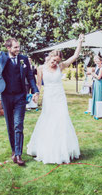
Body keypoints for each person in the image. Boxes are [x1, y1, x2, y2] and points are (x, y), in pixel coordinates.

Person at [0, 22, 39, 166]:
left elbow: (30, 76)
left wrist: (35, 90)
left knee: (19, 125)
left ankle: (18, 154)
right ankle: (14, 150)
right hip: (6, 96)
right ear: (8, 48)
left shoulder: (24, 59)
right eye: (15, 47)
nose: (18, 49)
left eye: (18, 47)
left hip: (20, 96)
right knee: (10, 125)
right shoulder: (1, 57)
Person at [27, 34, 84, 164]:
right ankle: (46, 148)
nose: (55, 63)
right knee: (48, 120)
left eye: (57, 61)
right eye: (54, 60)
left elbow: (75, 56)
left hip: (60, 97)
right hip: (48, 97)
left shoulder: (61, 66)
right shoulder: (40, 68)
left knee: (62, 119)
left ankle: (63, 149)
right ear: (49, 57)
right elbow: (38, 84)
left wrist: (79, 42)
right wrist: (36, 95)